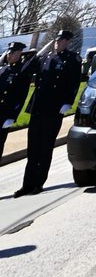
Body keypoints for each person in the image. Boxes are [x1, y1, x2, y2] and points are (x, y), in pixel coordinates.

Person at [15, 29, 81, 197]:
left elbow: (74, 81)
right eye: (56, 40)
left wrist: (68, 102)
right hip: (38, 109)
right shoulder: (45, 58)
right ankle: (27, 185)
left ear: (67, 42)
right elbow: (25, 70)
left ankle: (38, 183)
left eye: (60, 41)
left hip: (54, 109)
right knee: (33, 149)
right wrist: (39, 53)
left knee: (45, 149)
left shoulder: (72, 59)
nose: (57, 43)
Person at [0, 42, 30, 162]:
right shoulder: (4, 69)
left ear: (18, 54)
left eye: (12, 53)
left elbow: (21, 96)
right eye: (9, 53)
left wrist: (12, 116)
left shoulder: (22, 71)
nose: (9, 55)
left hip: (5, 113)